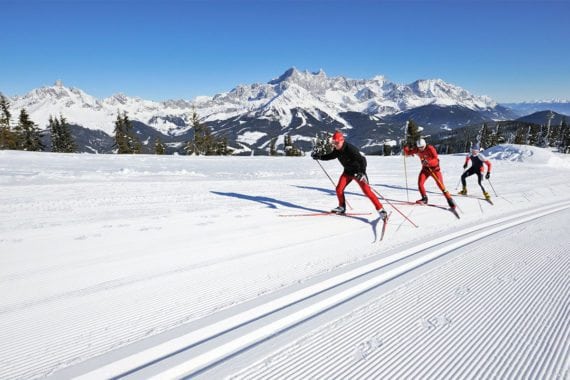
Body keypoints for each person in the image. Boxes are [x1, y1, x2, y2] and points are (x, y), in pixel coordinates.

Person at [311, 131, 388, 220]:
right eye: (334, 142)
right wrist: (320, 157)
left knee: (367, 191)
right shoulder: (337, 150)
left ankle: (381, 210)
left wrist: (362, 172)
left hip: (358, 173)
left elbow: (362, 160)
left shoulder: (350, 149)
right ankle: (341, 207)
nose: (335, 144)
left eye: (337, 142)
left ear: (342, 140)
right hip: (347, 172)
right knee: (339, 189)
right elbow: (331, 156)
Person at [403, 138, 456, 208]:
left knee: (440, 185)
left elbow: (436, 159)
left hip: (435, 169)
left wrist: (428, 162)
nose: (421, 149)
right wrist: (405, 147)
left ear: (425, 145)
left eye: (422, 147)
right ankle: (424, 199)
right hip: (425, 169)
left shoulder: (430, 148)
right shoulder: (417, 149)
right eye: (419, 147)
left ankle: (449, 199)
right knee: (420, 183)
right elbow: (408, 153)